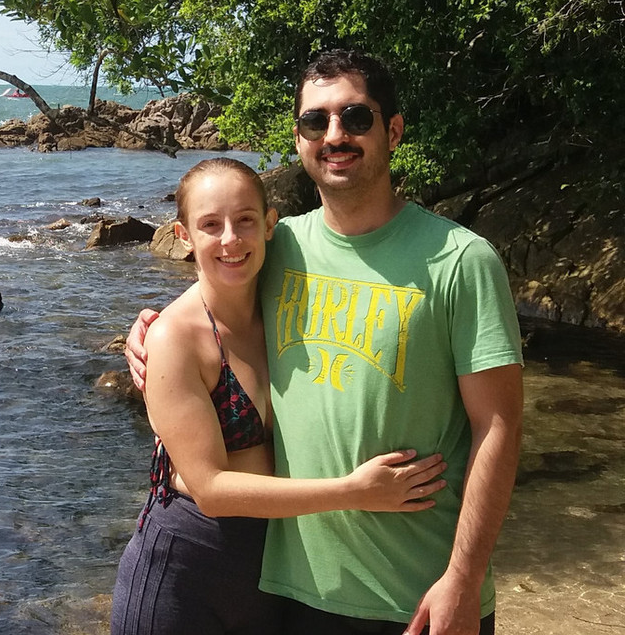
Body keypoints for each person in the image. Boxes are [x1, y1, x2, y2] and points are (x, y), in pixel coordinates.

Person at [125, 50, 524, 635]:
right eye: (317, 121)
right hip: (295, 593)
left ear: (392, 130)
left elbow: (500, 427)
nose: (336, 135)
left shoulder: (461, 260)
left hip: (417, 599)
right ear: (299, 137)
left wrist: (463, 578)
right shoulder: (281, 246)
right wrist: (150, 333)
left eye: (356, 118)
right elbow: (215, 294)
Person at [111, 156, 449, 635]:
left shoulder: (283, 297)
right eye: (210, 225)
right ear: (183, 236)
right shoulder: (175, 338)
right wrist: (354, 492)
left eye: (245, 220)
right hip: (186, 569)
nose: (230, 239)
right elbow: (209, 489)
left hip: (276, 571)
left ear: (271, 225)